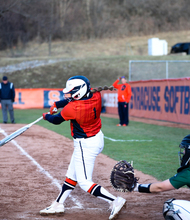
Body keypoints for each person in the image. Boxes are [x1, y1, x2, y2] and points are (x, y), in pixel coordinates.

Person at [40, 76, 126, 220]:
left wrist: (46, 116)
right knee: (71, 174)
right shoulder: (95, 95)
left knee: (85, 182)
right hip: (97, 137)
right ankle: (58, 204)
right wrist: (57, 103)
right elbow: (74, 99)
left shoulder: (73, 108)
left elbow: (56, 120)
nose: (67, 94)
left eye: (71, 91)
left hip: (85, 145)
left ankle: (115, 201)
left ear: (79, 92)